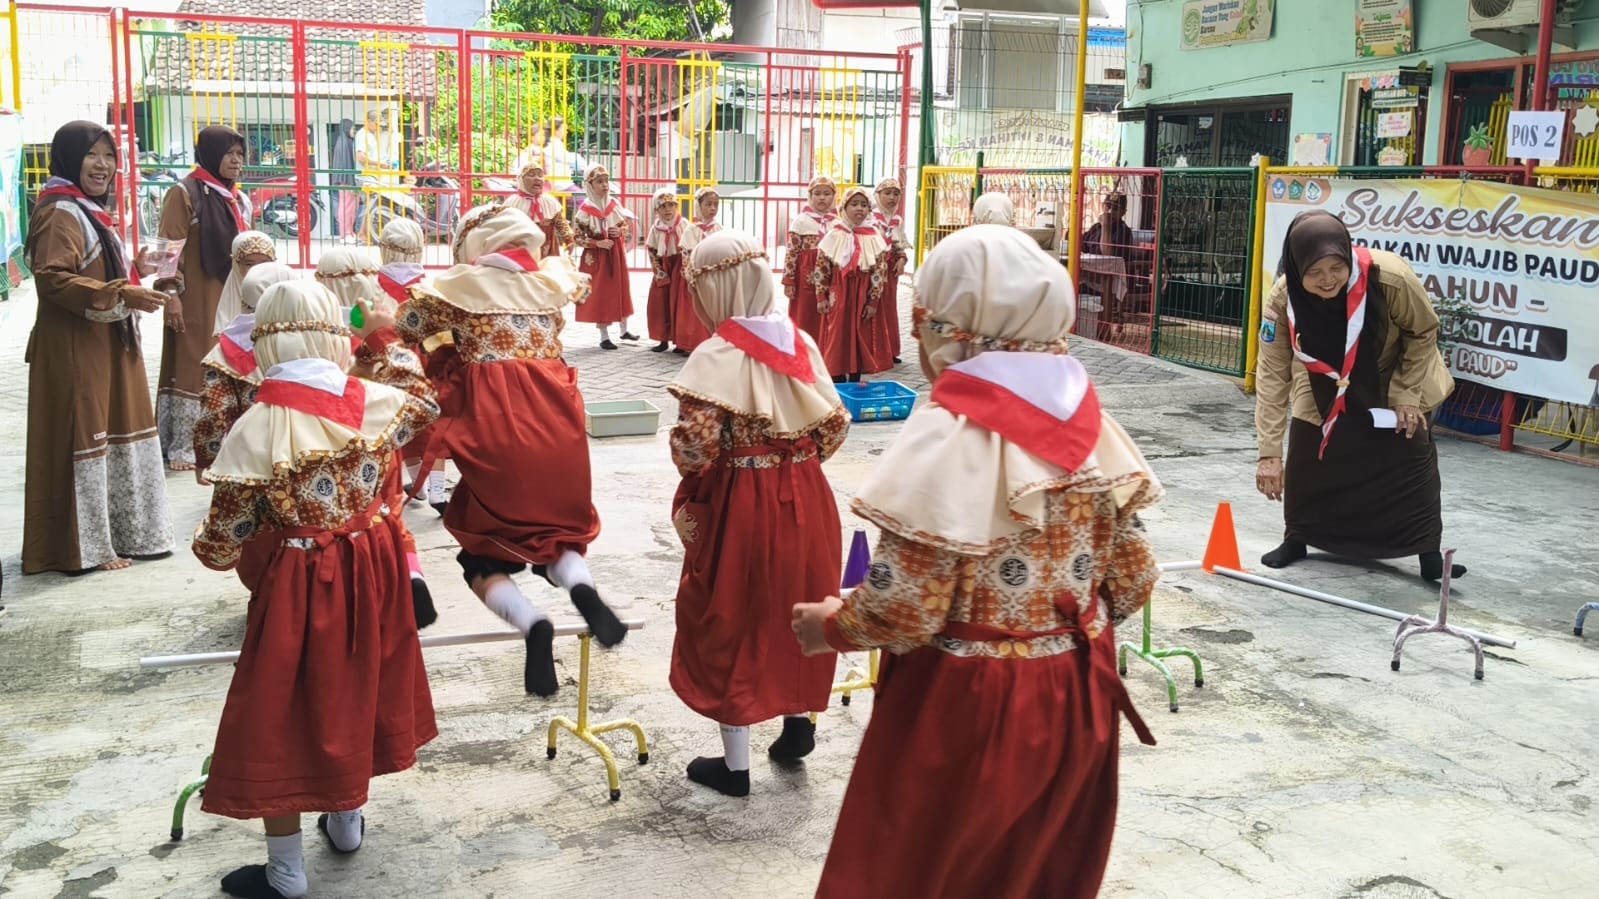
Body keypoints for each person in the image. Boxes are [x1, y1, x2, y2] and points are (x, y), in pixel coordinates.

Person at [792, 225, 1163, 899]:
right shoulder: (1087, 422)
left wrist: (832, 627)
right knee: (1033, 873)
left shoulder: (953, 433)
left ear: (951, 329)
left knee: (924, 871)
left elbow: (906, 608)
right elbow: (1134, 576)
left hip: (969, 701)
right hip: (1076, 690)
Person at [192, 280, 439, 899]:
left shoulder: (258, 428)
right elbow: (423, 399)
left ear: (263, 338)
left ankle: (286, 871)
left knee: (281, 712)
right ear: (336, 333)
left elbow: (219, 548)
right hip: (375, 568)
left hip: (302, 581)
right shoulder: (378, 401)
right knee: (356, 689)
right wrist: (383, 334)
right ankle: (347, 822)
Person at [397, 205, 626, 696]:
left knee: (482, 552)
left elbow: (404, 327)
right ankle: (581, 587)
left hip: (500, 426)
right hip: (558, 424)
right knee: (557, 536)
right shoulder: (549, 285)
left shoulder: (460, 290)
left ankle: (530, 621)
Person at [667, 231, 850, 797]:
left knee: (733, 615)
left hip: (743, 500)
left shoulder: (717, 355)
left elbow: (695, 450)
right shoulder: (799, 341)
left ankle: (735, 767)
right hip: (808, 493)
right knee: (798, 602)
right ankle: (797, 725)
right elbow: (835, 427)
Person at [1254, 210, 1464, 583]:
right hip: (1324, 376)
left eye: (1336, 267)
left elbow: (1423, 331)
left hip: (1394, 370)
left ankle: (1427, 551)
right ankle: (1297, 537)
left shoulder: (1390, 277)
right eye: (1314, 272)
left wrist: (1406, 395)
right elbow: (1271, 372)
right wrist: (1269, 452)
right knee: (1307, 455)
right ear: (1297, 268)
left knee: (1410, 452)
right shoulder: (1284, 297)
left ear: (1348, 256)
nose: (1327, 280)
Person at [23, 120, 174, 575]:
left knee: (116, 427)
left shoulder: (86, 209)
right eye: (92, 154)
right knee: (84, 431)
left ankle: (118, 535)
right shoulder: (60, 211)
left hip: (106, 341)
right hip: (75, 346)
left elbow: (91, 267)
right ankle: (83, 547)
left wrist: (135, 269)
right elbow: (52, 278)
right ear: (69, 158)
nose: (103, 165)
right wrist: (121, 291)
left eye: (110, 156)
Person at [158, 124, 251, 472]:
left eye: (240, 154)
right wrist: (170, 293)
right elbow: (168, 248)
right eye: (228, 153)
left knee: (230, 363)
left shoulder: (238, 198)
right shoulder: (184, 193)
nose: (236, 161)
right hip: (195, 297)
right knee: (192, 364)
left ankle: (223, 441)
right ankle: (184, 446)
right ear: (209, 154)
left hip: (233, 298)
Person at [194, 261, 299, 475]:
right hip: (302, 454)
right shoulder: (313, 342)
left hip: (246, 460)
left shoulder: (226, 350)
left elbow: (215, 411)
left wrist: (205, 459)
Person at [376, 217, 451, 514]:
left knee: (397, 424)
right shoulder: (432, 286)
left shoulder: (372, 286)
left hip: (387, 364)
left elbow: (358, 323)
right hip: (429, 362)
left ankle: (417, 485)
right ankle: (436, 491)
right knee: (434, 424)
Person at [813, 186, 892, 382]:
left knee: (860, 334)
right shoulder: (834, 234)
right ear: (844, 208)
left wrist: (873, 300)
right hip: (839, 294)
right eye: (854, 204)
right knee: (837, 334)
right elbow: (822, 267)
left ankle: (856, 376)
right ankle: (837, 377)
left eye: (864, 205)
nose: (859, 209)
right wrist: (821, 296)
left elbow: (880, 271)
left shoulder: (873, 235)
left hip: (863, 295)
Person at [571, 164, 638, 349]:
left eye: (606, 181)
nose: (605, 185)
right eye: (599, 182)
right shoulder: (585, 210)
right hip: (597, 257)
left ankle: (624, 329)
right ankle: (604, 336)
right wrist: (596, 243)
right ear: (590, 185)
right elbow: (577, 237)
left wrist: (620, 231)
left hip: (615, 253)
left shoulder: (613, 204)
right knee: (601, 293)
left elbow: (624, 225)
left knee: (621, 288)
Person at [645, 188, 706, 355]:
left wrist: (688, 269)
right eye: (663, 206)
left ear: (677, 207)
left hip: (680, 267)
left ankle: (682, 341)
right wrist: (658, 271)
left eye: (671, 205)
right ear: (656, 210)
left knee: (680, 305)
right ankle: (663, 338)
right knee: (661, 303)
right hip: (664, 267)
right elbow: (652, 250)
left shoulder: (684, 225)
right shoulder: (656, 228)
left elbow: (691, 247)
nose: (668, 210)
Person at [782, 176, 835, 341]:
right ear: (810, 196)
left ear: (834, 196)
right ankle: (803, 345)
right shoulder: (801, 221)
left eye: (827, 194)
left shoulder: (837, 222)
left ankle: (825, 346)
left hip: (831, 275)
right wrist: (789, 280)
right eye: (817, 194)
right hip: (806, 276)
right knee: (805, 312)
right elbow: (792, 252)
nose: (822, 198)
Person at [212, 231, 276, 336]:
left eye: (265, 263)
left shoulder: (285, 298)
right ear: (237, 265)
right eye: (249, 264)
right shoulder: (228, 310)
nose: (257, 269)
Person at [873, 177, 909, 363]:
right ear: (878, 195)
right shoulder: (869, 217)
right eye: (887, 193)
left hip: (890, 269)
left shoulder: (897, 220)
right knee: (872, 306)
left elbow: (899, 245)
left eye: (896, 194)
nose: (892, 198)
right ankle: (872, 350)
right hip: (872, 268)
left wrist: (902, 259)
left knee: (888, 308)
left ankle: (889, 350)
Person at [504, 162, 573, 260]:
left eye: (540, 175)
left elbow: (561, 223)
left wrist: (569, 240)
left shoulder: (549, 201)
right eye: (531, 175)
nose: (537, 178)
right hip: (522, 248)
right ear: (520, 179)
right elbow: (504, 227)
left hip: (547, 249)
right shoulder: (512, 202)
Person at [331, 118, 360, 244]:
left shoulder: (342, 141)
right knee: (347, 207)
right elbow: (348, 165)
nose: (354, 131)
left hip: (345, 180)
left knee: (348, 206)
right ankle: (346, 233)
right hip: (347, 180)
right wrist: (352, 183)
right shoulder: (345, 143)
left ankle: (348, 232)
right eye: (353, 128)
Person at [543, 116, 569, 183]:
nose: (566, 132)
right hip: (559, 182)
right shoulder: (554, 144)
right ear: (556, 130)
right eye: (564, 130)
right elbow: (567, 159)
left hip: (560, 181)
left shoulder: (554, 142)